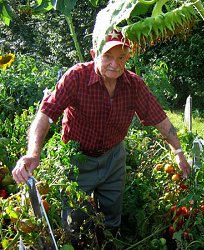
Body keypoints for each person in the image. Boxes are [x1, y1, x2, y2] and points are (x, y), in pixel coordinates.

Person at [11, 29, 191, 248]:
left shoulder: (134, 85)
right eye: (107, 56)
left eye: (121, 57)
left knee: (111, 215)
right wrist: (33, 153)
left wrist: (179, 152)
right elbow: (46, 113)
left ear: (128, 57)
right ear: (94, 52)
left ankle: (107, 243)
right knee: (74, 222)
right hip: (78, 160)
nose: (115, 64)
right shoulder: (76, 77)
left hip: (113, 156)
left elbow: (159, 119)